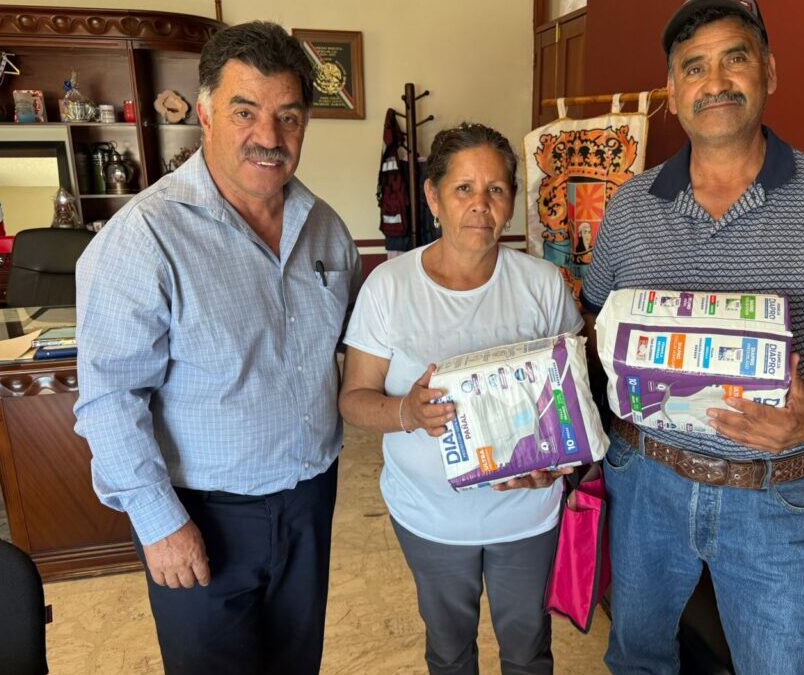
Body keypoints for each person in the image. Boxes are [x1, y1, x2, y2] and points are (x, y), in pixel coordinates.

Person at [581, 2, 804, 674]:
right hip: (643, 480)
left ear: (769, 72)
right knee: (637, 658)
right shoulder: (629, 206)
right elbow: (593, 332)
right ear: (673, 92)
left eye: (735, 58)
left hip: (775, 490)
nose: (715, 82)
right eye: (693, 67)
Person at [73, 21, 361, 675]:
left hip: (310, 499)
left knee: (297, 663)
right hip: (201, 513)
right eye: (245, 111)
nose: (270, 136)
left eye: (289, 116)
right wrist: (158, 522)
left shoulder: (326, 229)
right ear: (204, 113)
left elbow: (355, 353)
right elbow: (110, 399)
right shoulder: (145, 236)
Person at [339, 123, 583, 675]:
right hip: (431, 517)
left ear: (512, 200)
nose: (481, 205)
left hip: (527, 515)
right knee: (449, 651)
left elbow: (572, 397)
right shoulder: (390, 287)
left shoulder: (542, 284)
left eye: (496, 189)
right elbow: (354, 399)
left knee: (528, 649)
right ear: (433, 197)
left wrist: (558, 462)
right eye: (464, 189)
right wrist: (406, 411)